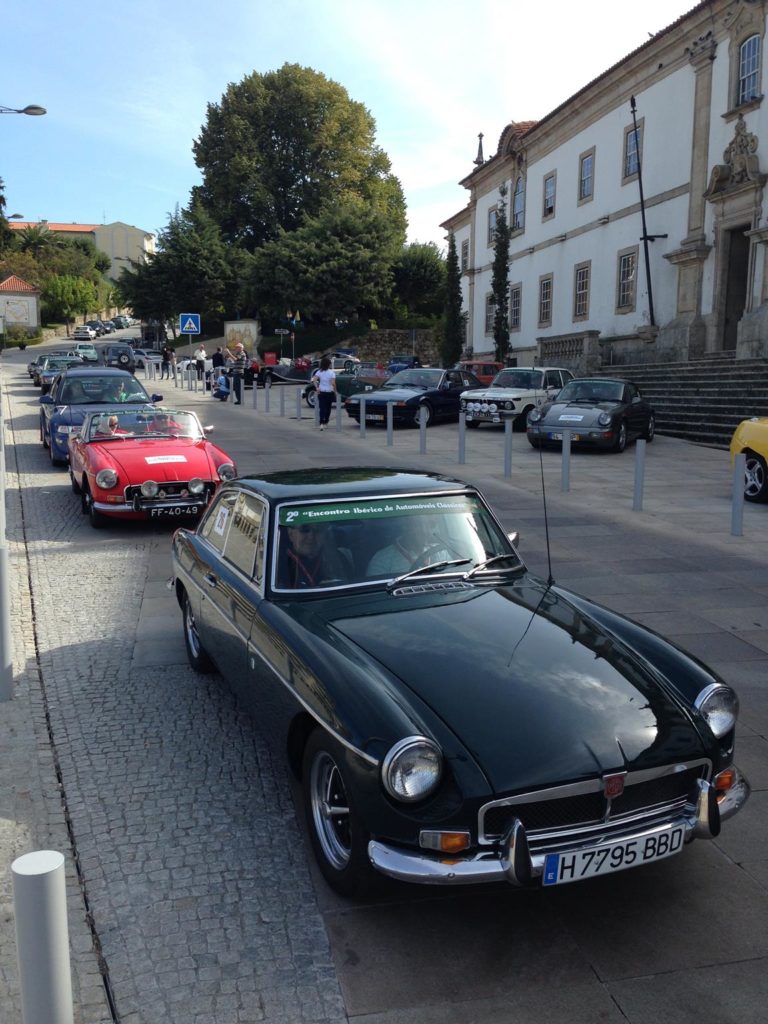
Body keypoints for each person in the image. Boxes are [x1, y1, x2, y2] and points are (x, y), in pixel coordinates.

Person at [366, 516, 455, 577]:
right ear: (406, 527)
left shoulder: (441, 552)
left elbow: (452, 577)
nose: (425, 531)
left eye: (429, 525)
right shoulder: (382, 559)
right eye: (418, 525)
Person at [280, 523, 349, 588]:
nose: (311, 537)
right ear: (290, 533)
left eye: (318, 530)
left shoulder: (339, 558)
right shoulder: (274, 564)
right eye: (305, 530)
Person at [312, 355, 336, 430]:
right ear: (328, 364)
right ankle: (326, 422)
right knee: (328, 408)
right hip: (329, 392)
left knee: (322, 408)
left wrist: (317, 387)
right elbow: (333, 383)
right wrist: (335, 391)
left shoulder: (319, 372)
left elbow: (314, 380)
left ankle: (321, 424)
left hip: (321, 392)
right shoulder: (331, 372)